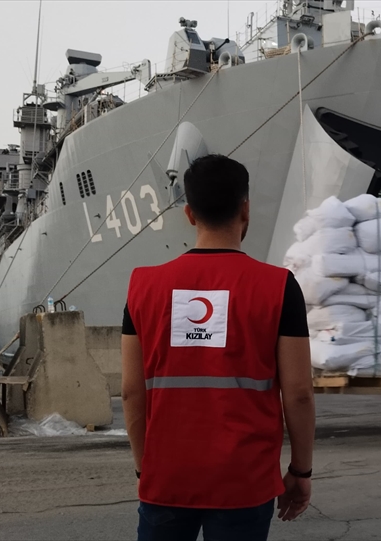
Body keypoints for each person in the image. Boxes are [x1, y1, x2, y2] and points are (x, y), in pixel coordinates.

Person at [121, 155, 315, 541]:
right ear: (245, 209)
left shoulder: (143, 286)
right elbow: (299, 393)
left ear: (189, 214)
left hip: (167, 475)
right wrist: (300, 471)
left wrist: (146, 467)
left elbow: (130, 391)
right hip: (244, 479)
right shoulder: (278, 287)